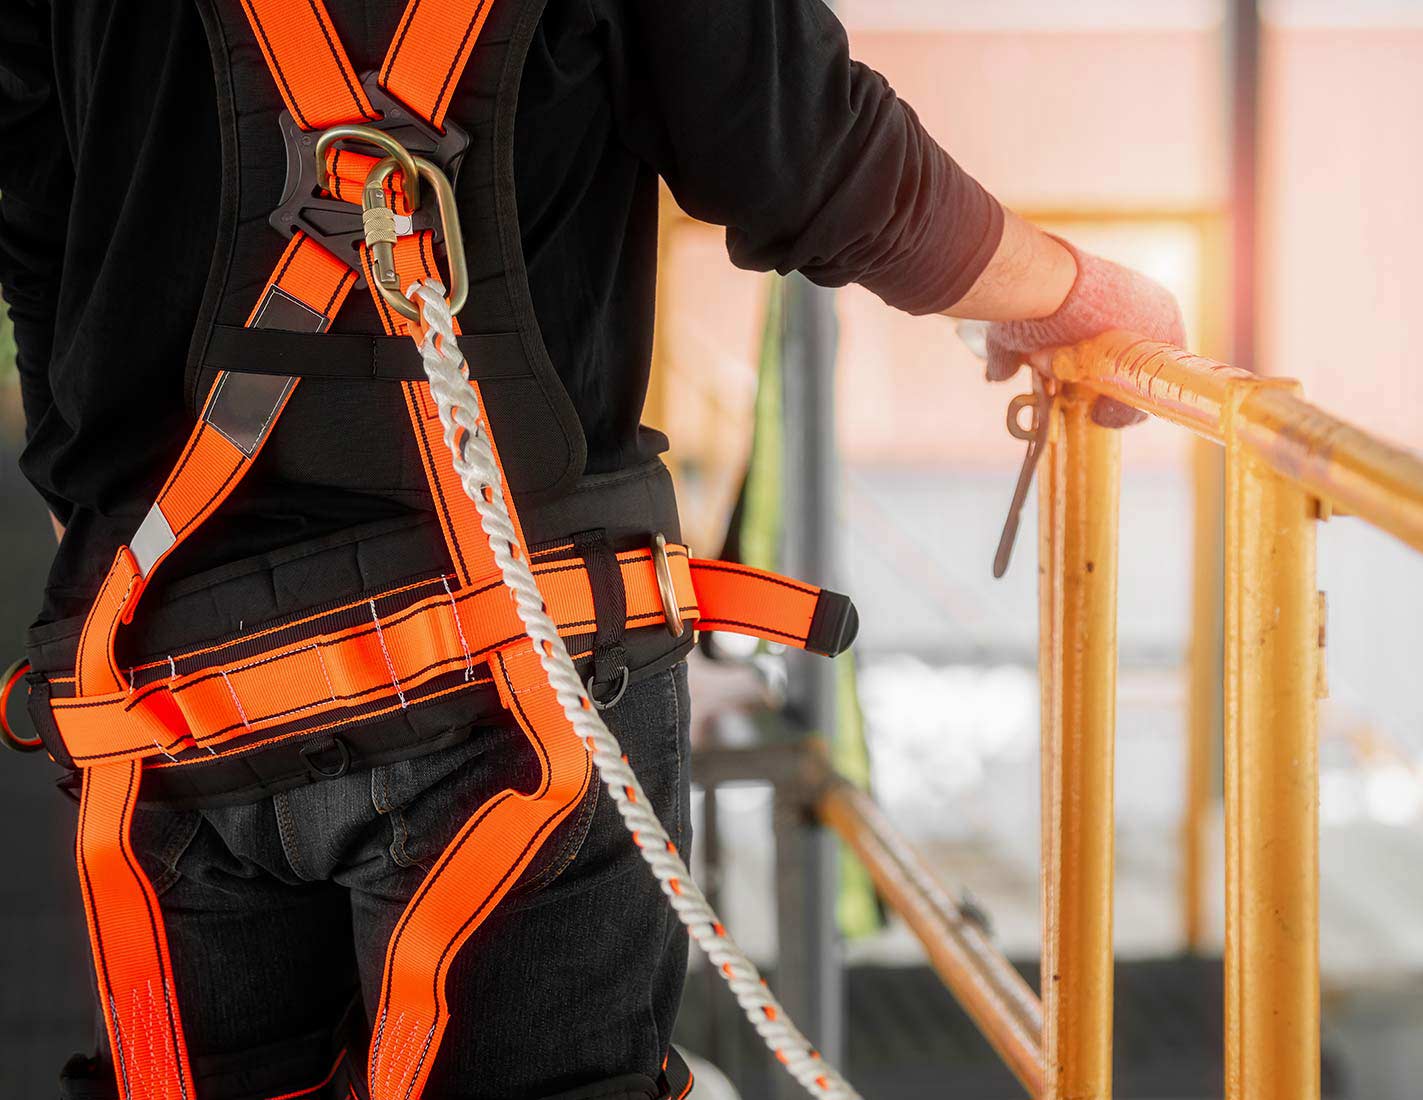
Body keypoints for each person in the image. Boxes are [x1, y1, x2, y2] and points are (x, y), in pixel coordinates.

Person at [0, 1, 1184, 1097]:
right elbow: (794, 145)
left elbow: (32, 179)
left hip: (172, 676)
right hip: (513, 691)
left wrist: (86, 490)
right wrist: (1067, 293)